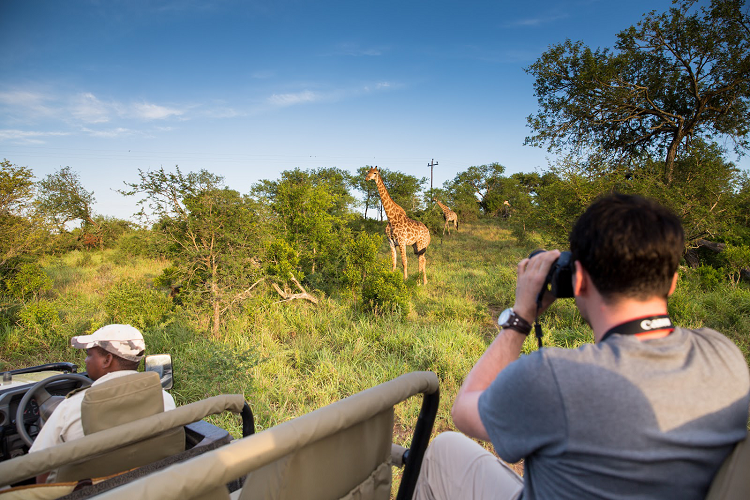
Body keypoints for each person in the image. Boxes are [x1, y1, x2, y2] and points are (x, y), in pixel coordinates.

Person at [414, 194, 750, 500]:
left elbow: (464, 411)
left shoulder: (555, 376)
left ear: (577, 281)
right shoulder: (723, 353)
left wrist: (520, 318)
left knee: (444, 448)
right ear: (673, 282)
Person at [29, 324, 175, 482]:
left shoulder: (73, 405)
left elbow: (41, 469)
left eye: (89, 354)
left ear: (107, 360)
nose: (85, 360)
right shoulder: (164, 398)